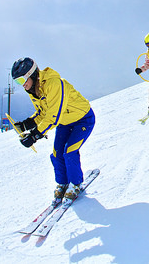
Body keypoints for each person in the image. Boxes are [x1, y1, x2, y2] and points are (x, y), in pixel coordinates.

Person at [11, 57, 96, 205]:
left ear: (31, 74)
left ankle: (75, 184)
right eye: (18, 82)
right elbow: (43, 112)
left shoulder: (54, 84)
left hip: (83, 119)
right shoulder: (34, 90)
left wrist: (35, 135)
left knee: (69, 152)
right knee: (56, 154)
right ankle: (63, 183)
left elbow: (53, 115)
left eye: (21, 80)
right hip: (65, 123)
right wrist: (27, 124)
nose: (22, 85)